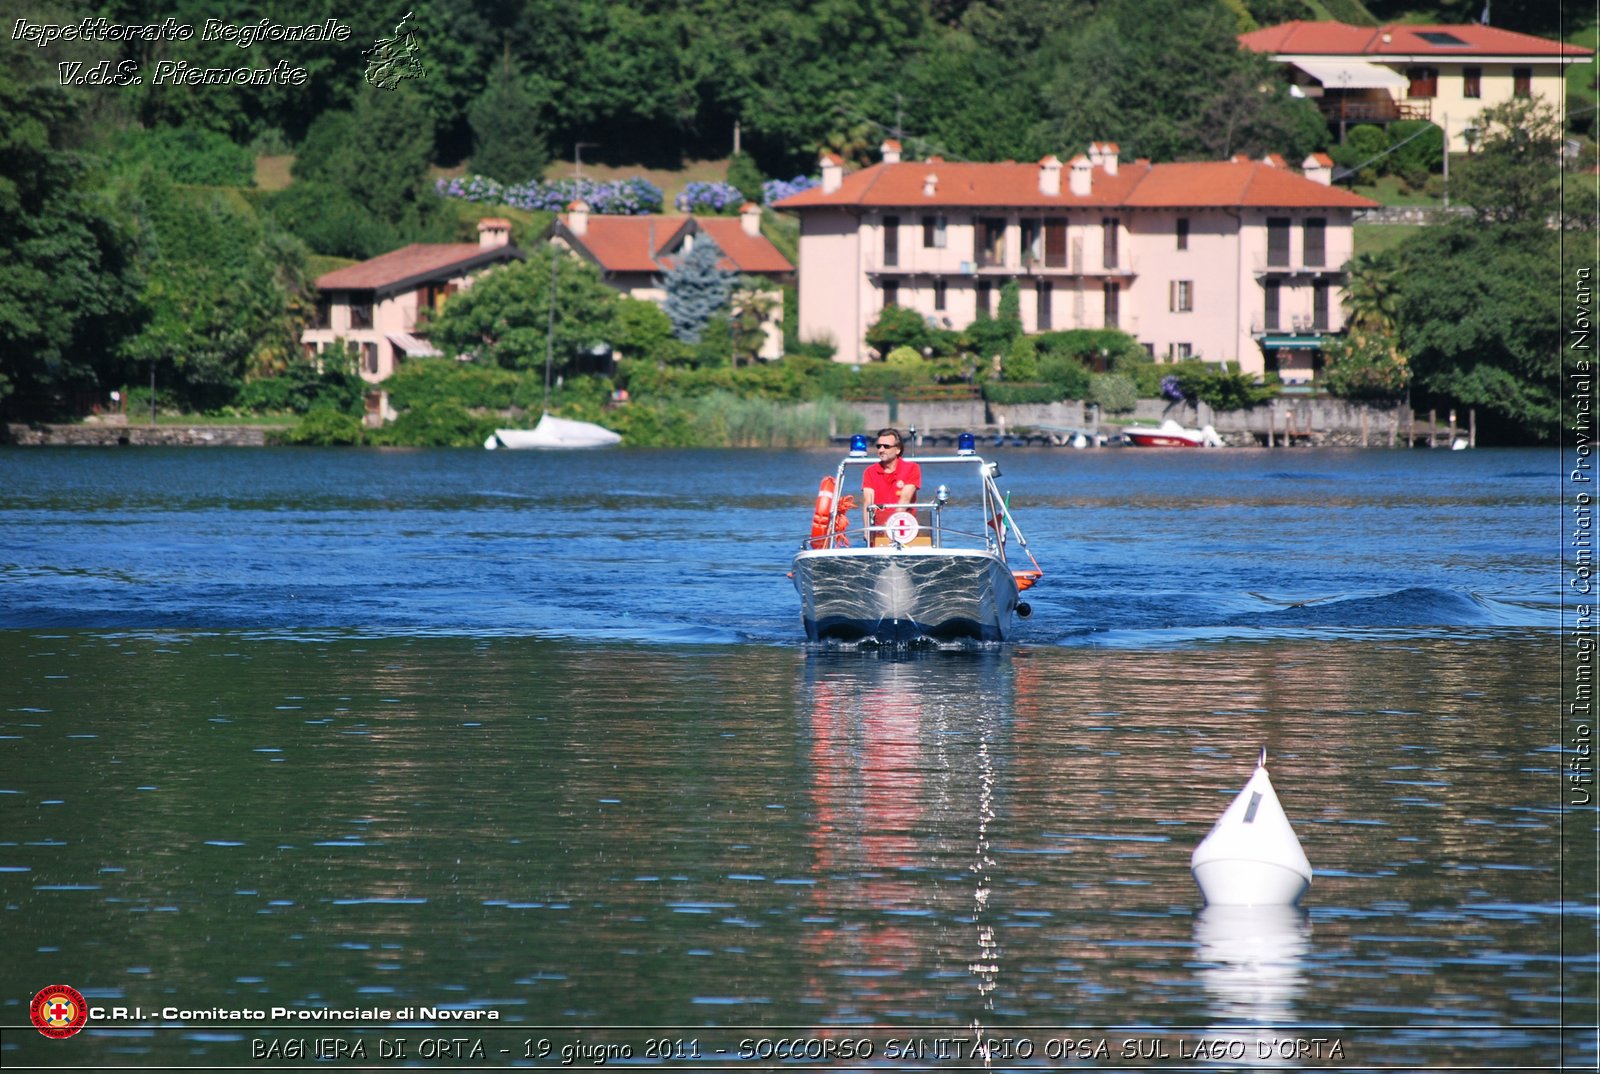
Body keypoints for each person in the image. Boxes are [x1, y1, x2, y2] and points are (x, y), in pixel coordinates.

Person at [862, 427, 921, 543]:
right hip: (879, 532)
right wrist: (867, 530)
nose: (881, 450)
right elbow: (867, 502)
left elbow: (905, 499)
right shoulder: (870, 472)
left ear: (898, 449)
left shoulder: (912, 468)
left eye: (886, 446)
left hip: (906, 530)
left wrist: (890, 526)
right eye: (879, 446)